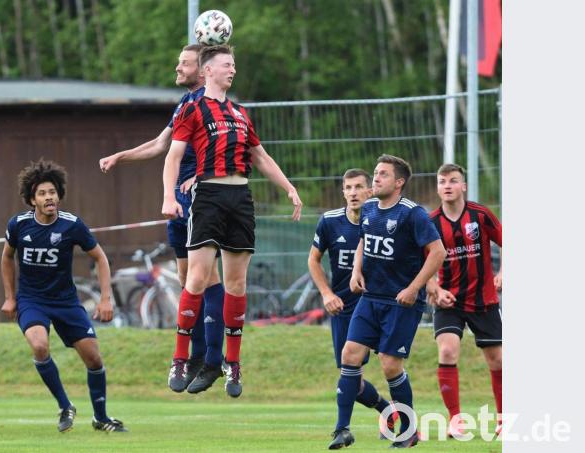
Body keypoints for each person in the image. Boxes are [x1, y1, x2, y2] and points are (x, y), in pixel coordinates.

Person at [162, 45, 302, 398]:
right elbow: (173, 155)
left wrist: (288, 188)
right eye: (227, 65)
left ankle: (233, 366)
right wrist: (168, 197)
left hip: (240, 198)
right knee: (196, 277)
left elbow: (261, 156)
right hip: (208, 196)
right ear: (208, 71)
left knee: (236, 285)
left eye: (234, 65)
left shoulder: (240, 112)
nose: (232, 70)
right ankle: (180, 358)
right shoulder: (192, 108)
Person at [99, 44, 226, 394]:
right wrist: (120, 156)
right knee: (187, 279)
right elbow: (160, 145)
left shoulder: (210, 104)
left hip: (201, 202)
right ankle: (201, 357)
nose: (176, 68)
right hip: (182, 204)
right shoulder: (185, 104)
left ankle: (210, 357)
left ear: (202, 70)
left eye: (182, 63)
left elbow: (226, 148)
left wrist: (202, 177)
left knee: (206, 277)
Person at [0, 159, 127, 433]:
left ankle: (101, 418)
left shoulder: (72, 225)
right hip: (32, 300)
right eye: (43, 193)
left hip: (66, 302)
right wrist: (10, 297)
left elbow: (100, 258)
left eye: (53, 192)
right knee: (39, 345)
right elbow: (7, 258)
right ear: (32, 199)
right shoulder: (19, 226)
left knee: (93, 358)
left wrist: (106, 299)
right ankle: (64, 405)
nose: (49, 197)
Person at [329, 154, 446, 449]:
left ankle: (407, 431)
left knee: (390, 365)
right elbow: (364, 242)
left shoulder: (412, 214)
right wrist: (356, 270)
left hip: (401, 302)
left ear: (399, 182)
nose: (376, 178)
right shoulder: (369, 209)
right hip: (370, 298)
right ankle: (342, 429)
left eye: (382, 174)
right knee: (350, 355)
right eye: (376, 173)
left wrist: (414, 288)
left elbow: (437, 252)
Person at [308, 168, 398, 440]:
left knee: (390, 363)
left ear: (370, 190)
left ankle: (344, 429)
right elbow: (313, 260)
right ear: (343, 192)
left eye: (359, 187)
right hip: (345, 309)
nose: (353, 193)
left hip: (379, 304)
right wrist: (326, 294)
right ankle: (390, 413)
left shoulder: (381, 220)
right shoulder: (329, 221)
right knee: (353, 381)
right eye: (348, 188)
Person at [427, 163, 503, 437]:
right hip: (449, 302)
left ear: (464, 186)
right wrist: (434, 286)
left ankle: (504, 420)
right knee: (447, 351)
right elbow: (419, 262)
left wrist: (503, 272)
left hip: (484, 300)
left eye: (453, 180)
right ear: (438, 187)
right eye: (442, 181)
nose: (447, 185)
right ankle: (456, 419)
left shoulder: (480, 215)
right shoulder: (431, 222)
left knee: (498, 361)